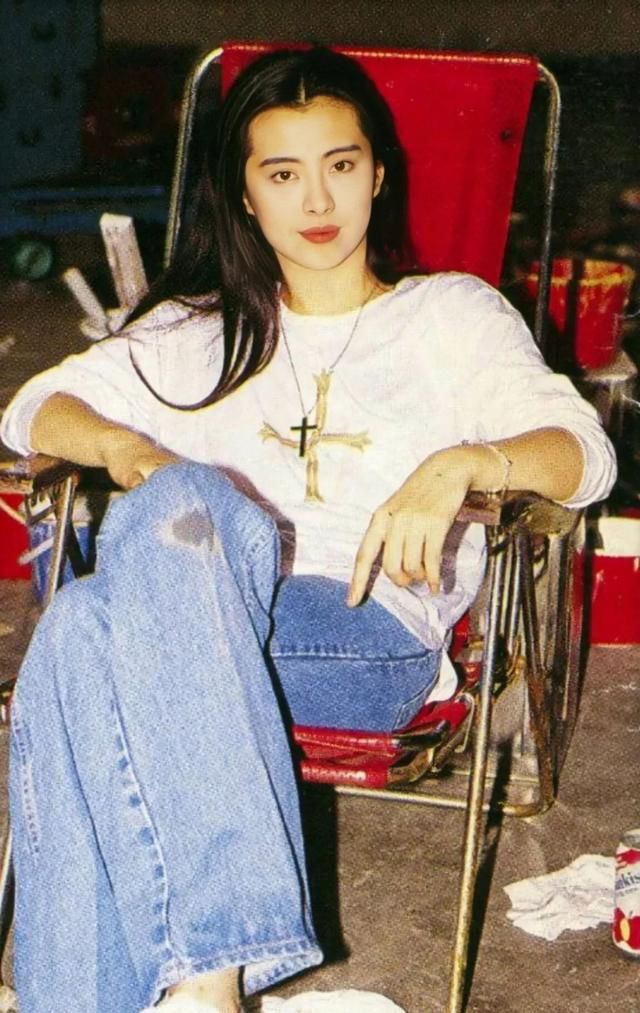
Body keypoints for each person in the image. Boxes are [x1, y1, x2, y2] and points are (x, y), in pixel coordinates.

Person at [0, 46, 616, 1013]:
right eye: (281, 173)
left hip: (368, 633)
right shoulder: (198, 328)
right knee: (91, 618)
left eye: (339, 163)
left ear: (378, 172)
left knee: (98, 619)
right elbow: (35, 410)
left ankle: (208, 975)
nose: (316, 198)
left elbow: (586, 451)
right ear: (244, 197)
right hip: (199, 623)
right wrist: (135, 457)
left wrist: (462, 463)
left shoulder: (451, 316)